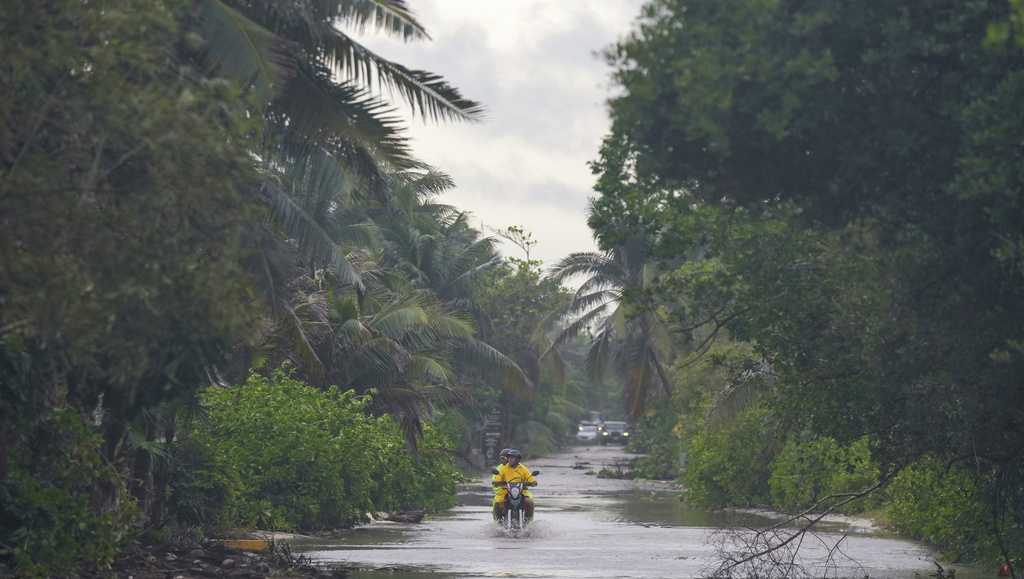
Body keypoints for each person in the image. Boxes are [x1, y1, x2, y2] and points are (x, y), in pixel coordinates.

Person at [491, 449, 536, 523]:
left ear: (518, 459)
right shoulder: (502, 468)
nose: (510, 459)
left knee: (530, 502)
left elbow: (530, 478)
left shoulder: (523, 468)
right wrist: (498, 483)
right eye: (509, 457)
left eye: (512, 458)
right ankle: (497, 523)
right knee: (497, 504)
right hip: (505, 492)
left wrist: (532, 482)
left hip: (521, 492)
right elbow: (497, 479)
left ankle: (528, 522)